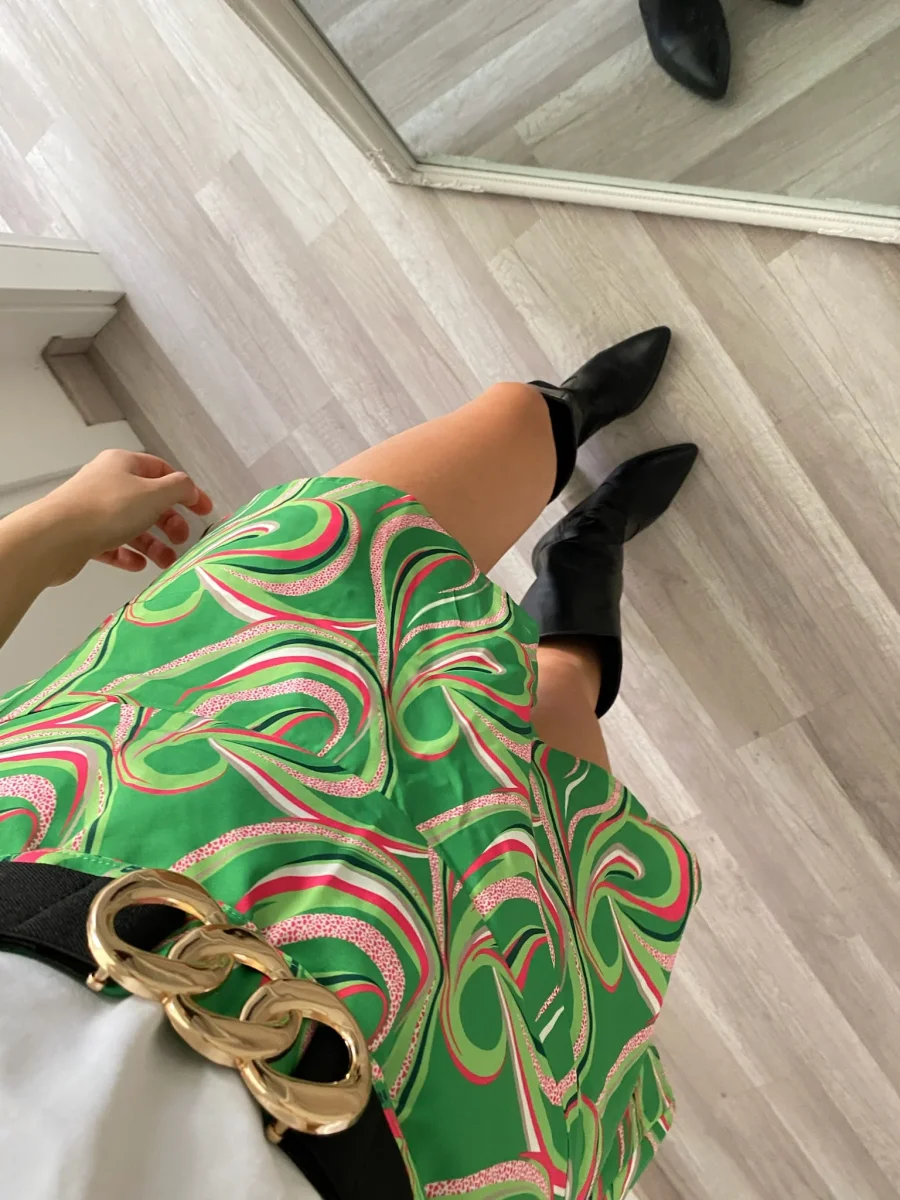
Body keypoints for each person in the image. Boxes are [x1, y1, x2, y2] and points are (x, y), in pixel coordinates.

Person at [0, 328, 700, 1200]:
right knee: (553, 790)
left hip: (99, 826)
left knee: (345, 539)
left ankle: (558, 416)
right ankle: (581, 579)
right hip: (408, 1121)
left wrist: (45, 534)